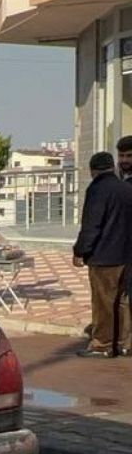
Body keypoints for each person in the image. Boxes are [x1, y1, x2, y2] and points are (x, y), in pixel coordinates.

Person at [72, 152, 132, 358]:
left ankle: (103, 345)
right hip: (126, 256)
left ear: (93, 170)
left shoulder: (97, 190)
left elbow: (91, 226)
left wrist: (80, 251)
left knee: (103, 303)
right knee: (123, 301)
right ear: (112, 167)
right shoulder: (126, 188)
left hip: (104, 257)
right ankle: (125, 343)